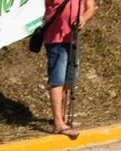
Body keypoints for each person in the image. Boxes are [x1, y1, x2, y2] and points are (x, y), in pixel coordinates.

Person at [42, 0, 96, 139]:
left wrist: (84, 18)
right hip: (56, 38)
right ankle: (58, 122)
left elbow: (90, 7)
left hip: (73, 38)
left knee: (69, 80)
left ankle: (64, 117)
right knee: (57, 80)